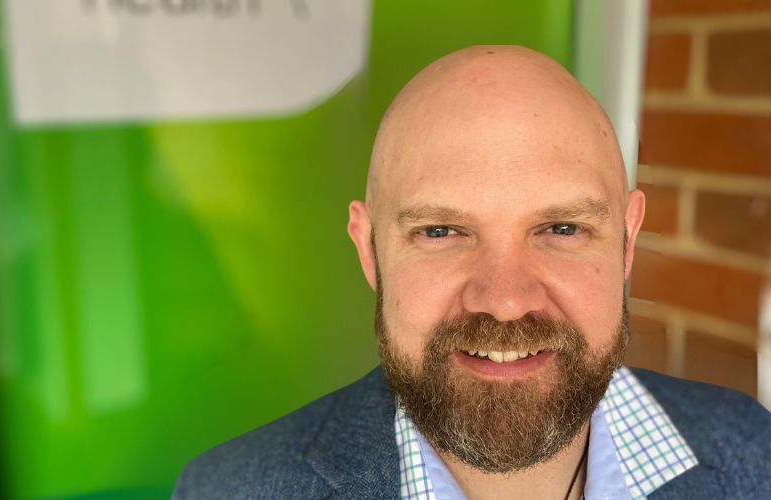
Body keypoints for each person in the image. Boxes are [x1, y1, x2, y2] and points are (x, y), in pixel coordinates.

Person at [173, 46, 771, 499]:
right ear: (369, 251)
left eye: (561, 229)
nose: (505, 300)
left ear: (627, 243)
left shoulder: (757, 451)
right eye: (441, 232)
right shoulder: (225, 489)